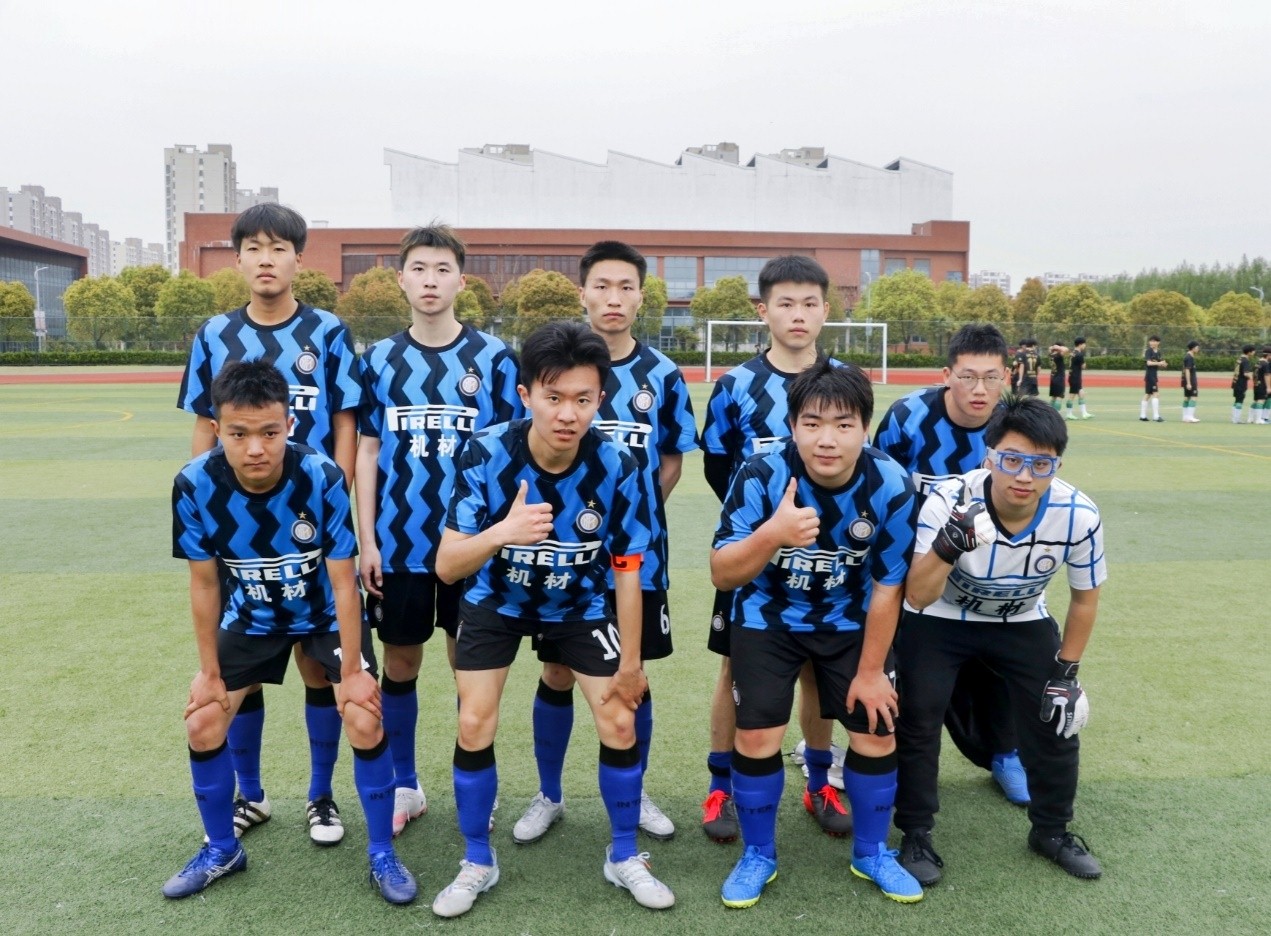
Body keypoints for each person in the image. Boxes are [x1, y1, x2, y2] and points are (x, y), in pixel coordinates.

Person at [431, 320, 674, 918]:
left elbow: (628, 570)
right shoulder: (486, 451)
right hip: (496, 602)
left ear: (601, 399)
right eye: (553, 397)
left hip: (580, 604)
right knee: (474, 722)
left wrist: (632, 663)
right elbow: (447, 564)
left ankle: (624, 854)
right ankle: (477, 861)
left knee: (619, 720)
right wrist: (504, 532)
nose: (568, 414)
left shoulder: (619, 463)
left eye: (583, 400)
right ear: (525, 394)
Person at [163, 360, 415, 904]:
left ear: (289, 426)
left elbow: (344, 581)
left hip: (322, 613)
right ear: (217, 429)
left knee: (364, 716)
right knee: (203, 721)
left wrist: (353, 671)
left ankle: (381, 853)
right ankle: (222, 848)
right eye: (239, 434)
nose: (256, 448)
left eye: (269, 433)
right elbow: (204, 584)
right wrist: (209, 672)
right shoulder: (194, 483)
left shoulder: (321, 476)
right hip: (250, 614)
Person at [176, 203, 362, 845]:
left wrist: (335, 506)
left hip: (311, 523)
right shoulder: (214, 334)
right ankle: (250, 795)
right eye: (253, 248)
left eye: (278, 248)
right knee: (243, 662)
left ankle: (321, 796)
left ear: (297, 259)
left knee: (317, 667)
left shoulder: (328, 331)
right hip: (240, 531)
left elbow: (345, 423)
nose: (265, 259)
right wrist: (206, 505)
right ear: (237, 258)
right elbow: (203, 428)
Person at [711, 358, 921, 908]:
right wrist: (773, 534)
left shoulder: (892, 484)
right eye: (812, 423)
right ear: (793, 425)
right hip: (767, 619)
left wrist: (871, 672)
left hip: (850, 621)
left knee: (877, 731)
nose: (827, 439)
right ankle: (758, 855)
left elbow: (889, 587)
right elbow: (723, 573)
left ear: (865, 428)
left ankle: (872, 853)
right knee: (757, 738)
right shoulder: (761, 472)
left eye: (843, 425)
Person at [513, 241, 698, 846]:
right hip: (562, 559)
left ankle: (633, 790)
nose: (613, 298)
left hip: (636, 559)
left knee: (632, 673)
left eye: (626, 287)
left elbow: (672, 460)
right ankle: (549, 794)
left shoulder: (662, 374)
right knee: (557, 670)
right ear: (583, 293)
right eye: (602, 286)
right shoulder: (553, 368)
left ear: (642, 297)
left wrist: (626, 521)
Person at [894, 397, 1106, 886]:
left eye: (1040, 464)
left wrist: (1066, 673)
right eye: (1011, 459)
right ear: (989, 457)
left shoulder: (1078, 513)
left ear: (1057, 466)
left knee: (1058, 716)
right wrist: (949, 544)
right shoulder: (949, 499)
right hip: (942, 617)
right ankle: (916, 833)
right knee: (918, 716)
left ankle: (1051, 830)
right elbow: (918, 596)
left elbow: (1084, 600)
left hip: (1021, 618)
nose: (1024, 476)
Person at [355, 224, 522, 838]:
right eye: (419, 269)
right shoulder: (377, 360)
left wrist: (500, 534)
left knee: (466, 664)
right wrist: (367, 539)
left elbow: (512, 450)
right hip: (399, 543)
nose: (430, 280)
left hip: (471, 545)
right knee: (400, 661)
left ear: (460, 280)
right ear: (401, 279)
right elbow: (367, 451)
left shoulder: (495, 358)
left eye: (442, 269)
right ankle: (406, 783)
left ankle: (472, 783)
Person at [699, 255, 847, 844]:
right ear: (763, 311)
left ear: (826, 311)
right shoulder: (735, 385)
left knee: (818, 668)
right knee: (733, 667)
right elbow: (717, 466)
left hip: (826, 558)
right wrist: (757, 529)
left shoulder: (844, 380)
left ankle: (819, 780)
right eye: (786, 303)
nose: (798, 315)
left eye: (810, 303)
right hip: (753, 557)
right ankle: (721, 787)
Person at [872, 323, 1029, 808]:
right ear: (947, 375)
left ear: (1006, 377)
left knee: (996, 668)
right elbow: (878, 484)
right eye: (967, 377)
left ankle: (1005, 753)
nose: (979, 389)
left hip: (987, 570)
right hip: (915, 568)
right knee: (906, 671)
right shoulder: (907, 416)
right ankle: (892, 759)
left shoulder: (1013, 425)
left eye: (991, 377)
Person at [1065, 337, 1093, 420]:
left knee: (1081, 394)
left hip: (1072, 376)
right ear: (1080, 344)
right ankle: (1069, 413)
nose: (1085, 346)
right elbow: (1083, 366)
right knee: (1072, 396)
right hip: (1075, 377)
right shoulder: (1079, 354)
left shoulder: (1072, 353)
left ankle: (1084, 413)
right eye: (1084, 344)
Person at [1140, 335, 1166, 422]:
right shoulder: (1149, 351)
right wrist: (1159, 363)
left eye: (1154, 341)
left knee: (1148, 394)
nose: (1152, 343)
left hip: (1154, 375)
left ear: (1158, 342)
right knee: (1156, 394)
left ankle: (1142, 416)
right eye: (1151, 341)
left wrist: (1163, 364)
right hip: (1150, 375)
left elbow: (1161, 362)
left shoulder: (1158, 352)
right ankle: (1156, 416)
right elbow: (1149, 363)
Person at [1231, 344, 1255, 424]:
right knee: (1240, 401)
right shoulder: (1245, 360)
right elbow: (1246, 373)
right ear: (1249, 352)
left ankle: (1234, 418)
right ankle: (1237, 419)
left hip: (1235, 381)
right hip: (1241, 383)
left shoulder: (1239, 359)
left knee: (1237, 400)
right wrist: (1252, 377)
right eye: (1253, 351)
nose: (1254, 352)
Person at [1181, 340, 1200, 423]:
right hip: (1190, 380)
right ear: (1193, 348)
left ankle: (1185, 417)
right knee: (1193, 397)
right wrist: (1189, 383)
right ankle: (1190, 417)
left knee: (1187, 397)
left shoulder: (1188, 356)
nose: (1198, 349)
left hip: (1186, 380)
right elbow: (1187, 370)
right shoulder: (1189, 357)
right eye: (1197, 347)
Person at [1251, 347, 1271, 424]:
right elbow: (1267, 375)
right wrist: (1269, 387)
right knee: (1261, 400)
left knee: (1258, 400)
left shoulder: (1258, 362)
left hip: (1257, 384)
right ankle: (1260, 419)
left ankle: (1252, 418)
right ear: (1268, 355)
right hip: (1263, 384)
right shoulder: (1266, 364)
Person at [1047, 343, 1069, 411]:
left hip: (1053, 378)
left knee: (1054, 397)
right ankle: (1057, 413)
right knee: (1059, 396)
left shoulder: (1051, 354)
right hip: (1059, 378)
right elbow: (1066, 349)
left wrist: (1054, 347)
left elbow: (1049, 349)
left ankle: (1049, 412)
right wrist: (1058, 347)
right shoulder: (1059, 355)